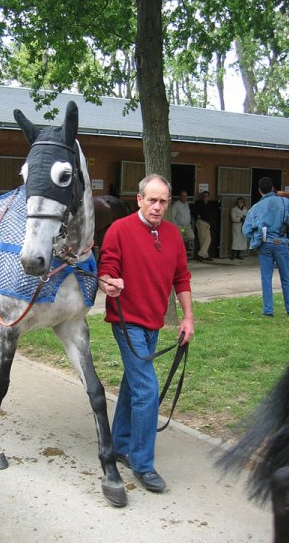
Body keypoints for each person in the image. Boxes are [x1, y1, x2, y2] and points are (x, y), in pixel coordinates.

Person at [98, 174, 194, 494]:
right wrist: (109, 282)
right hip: (126, 323)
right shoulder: (119, 230)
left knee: (133, 385)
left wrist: (187, 319)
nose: (157, 207)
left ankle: (119, 445)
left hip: (154, 325)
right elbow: (106, 270)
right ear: (139, 199)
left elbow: (182, 278)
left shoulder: (172, 235)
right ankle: (142, 464)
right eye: (151, 200)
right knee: (147, 390)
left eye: (162, 201)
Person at [243, 176, 289, 317]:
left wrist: (257, 237)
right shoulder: (286, 203)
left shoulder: (256, 208)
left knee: (266, 278)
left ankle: (268, 310)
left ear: (260, 191)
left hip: (265, 245)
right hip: (282, 243)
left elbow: (246, 230)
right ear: (273, 188)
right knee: (286, 277)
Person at [193, 190, 214, 261]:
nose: (205, 197)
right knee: (203, 239)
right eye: (204, 196)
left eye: (206, 196)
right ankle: (202, 255)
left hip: (207, 223)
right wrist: (199, 216)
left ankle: (203, 255)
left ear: (208, 197)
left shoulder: (209, 205)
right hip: (201, 222)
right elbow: (195, 213)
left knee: (207, 239)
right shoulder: (199, 204)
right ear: (202, 197)